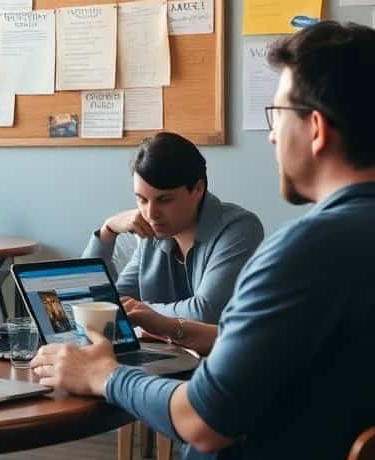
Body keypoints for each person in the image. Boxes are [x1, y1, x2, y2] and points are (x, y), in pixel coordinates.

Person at [0, 22, 375, 460]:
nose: (269, 135)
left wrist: (104, 375)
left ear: (314, 129)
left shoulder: (307, 251)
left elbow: (200, 423)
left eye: (275, 113)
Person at [84, 131, 264, 332]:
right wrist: (108, 230)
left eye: (164, 200)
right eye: (142, 200)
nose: (151, 214)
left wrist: (140, 312)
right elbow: (97, 304)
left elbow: (206, 313)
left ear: (197, 189)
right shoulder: (151, 235)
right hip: (165, 356)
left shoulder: (239, 228)